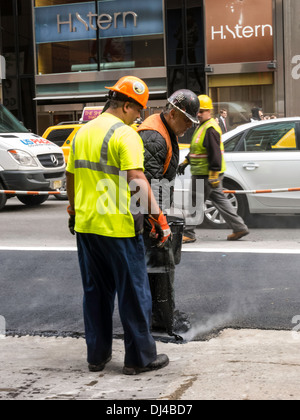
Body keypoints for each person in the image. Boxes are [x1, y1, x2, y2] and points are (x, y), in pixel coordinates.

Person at [66, 76, 170, 375]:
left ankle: (96, 358)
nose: (140, 117)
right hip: (119, 229)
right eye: (138, 112)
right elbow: (136, 179)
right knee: (134, 295)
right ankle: (139, 359)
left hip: (87, 227)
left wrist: (73, 208)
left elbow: (71, 176)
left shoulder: (82, 132)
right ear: (126, 106)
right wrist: (158, 218)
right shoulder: (125, 135)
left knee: (95, 293)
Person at [137, 90, 200, 338]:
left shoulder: (167, 130)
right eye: (187, 120)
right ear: (173, 113)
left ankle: (163, 315)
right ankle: (161, 322)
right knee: (158, 266)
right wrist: (155, 220)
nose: (188, 126)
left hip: (153, 211)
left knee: (160, 266)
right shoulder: (154, 137)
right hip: (146, 214)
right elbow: (145, 184)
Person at [178, 94, 249, 243]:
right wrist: (186, 161)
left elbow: (215, 154)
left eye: (202, 111)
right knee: (220, 200)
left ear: (209, 111)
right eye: (197, 111)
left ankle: (189, 233)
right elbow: (197, 149)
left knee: (194, 202)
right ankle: (239, 227)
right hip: (204, 173)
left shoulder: (210, 129)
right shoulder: (202, 126)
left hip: (206, 174)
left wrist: (213, 175)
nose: (198, 114)